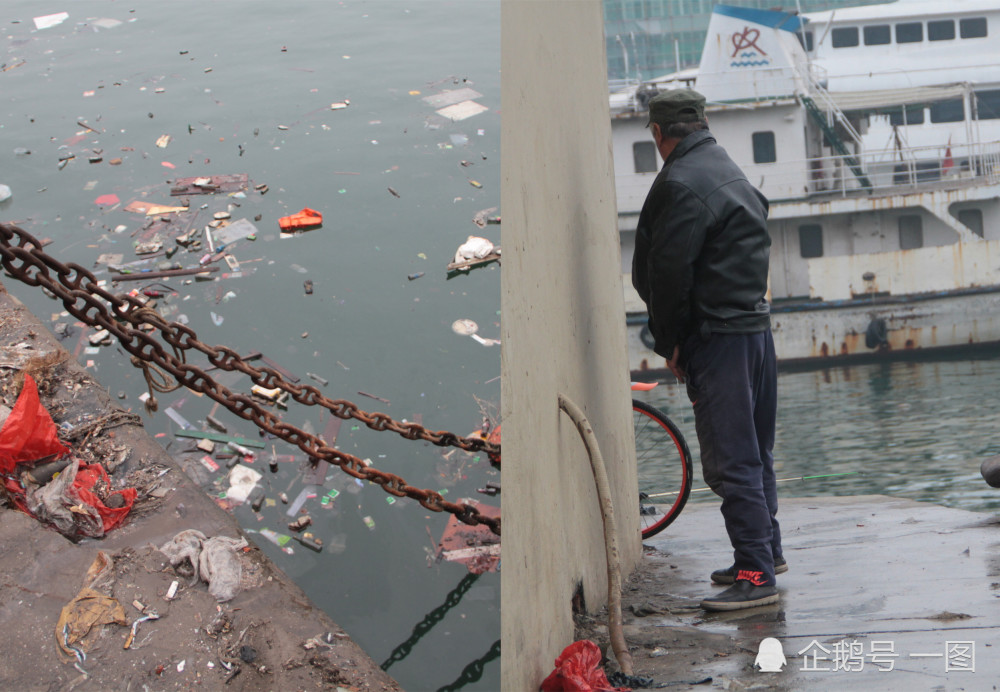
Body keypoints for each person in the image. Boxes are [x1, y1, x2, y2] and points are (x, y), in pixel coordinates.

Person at [631, 89, 783, 611]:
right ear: (703, 122)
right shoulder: (728, 168)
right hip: (754, 331)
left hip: (717, 339)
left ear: (658, 132)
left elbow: (668, 273)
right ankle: (766, 552)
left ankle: (756, 576)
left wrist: (669, 341)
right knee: (755, 452)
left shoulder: (678, 181)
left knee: (730, 458)